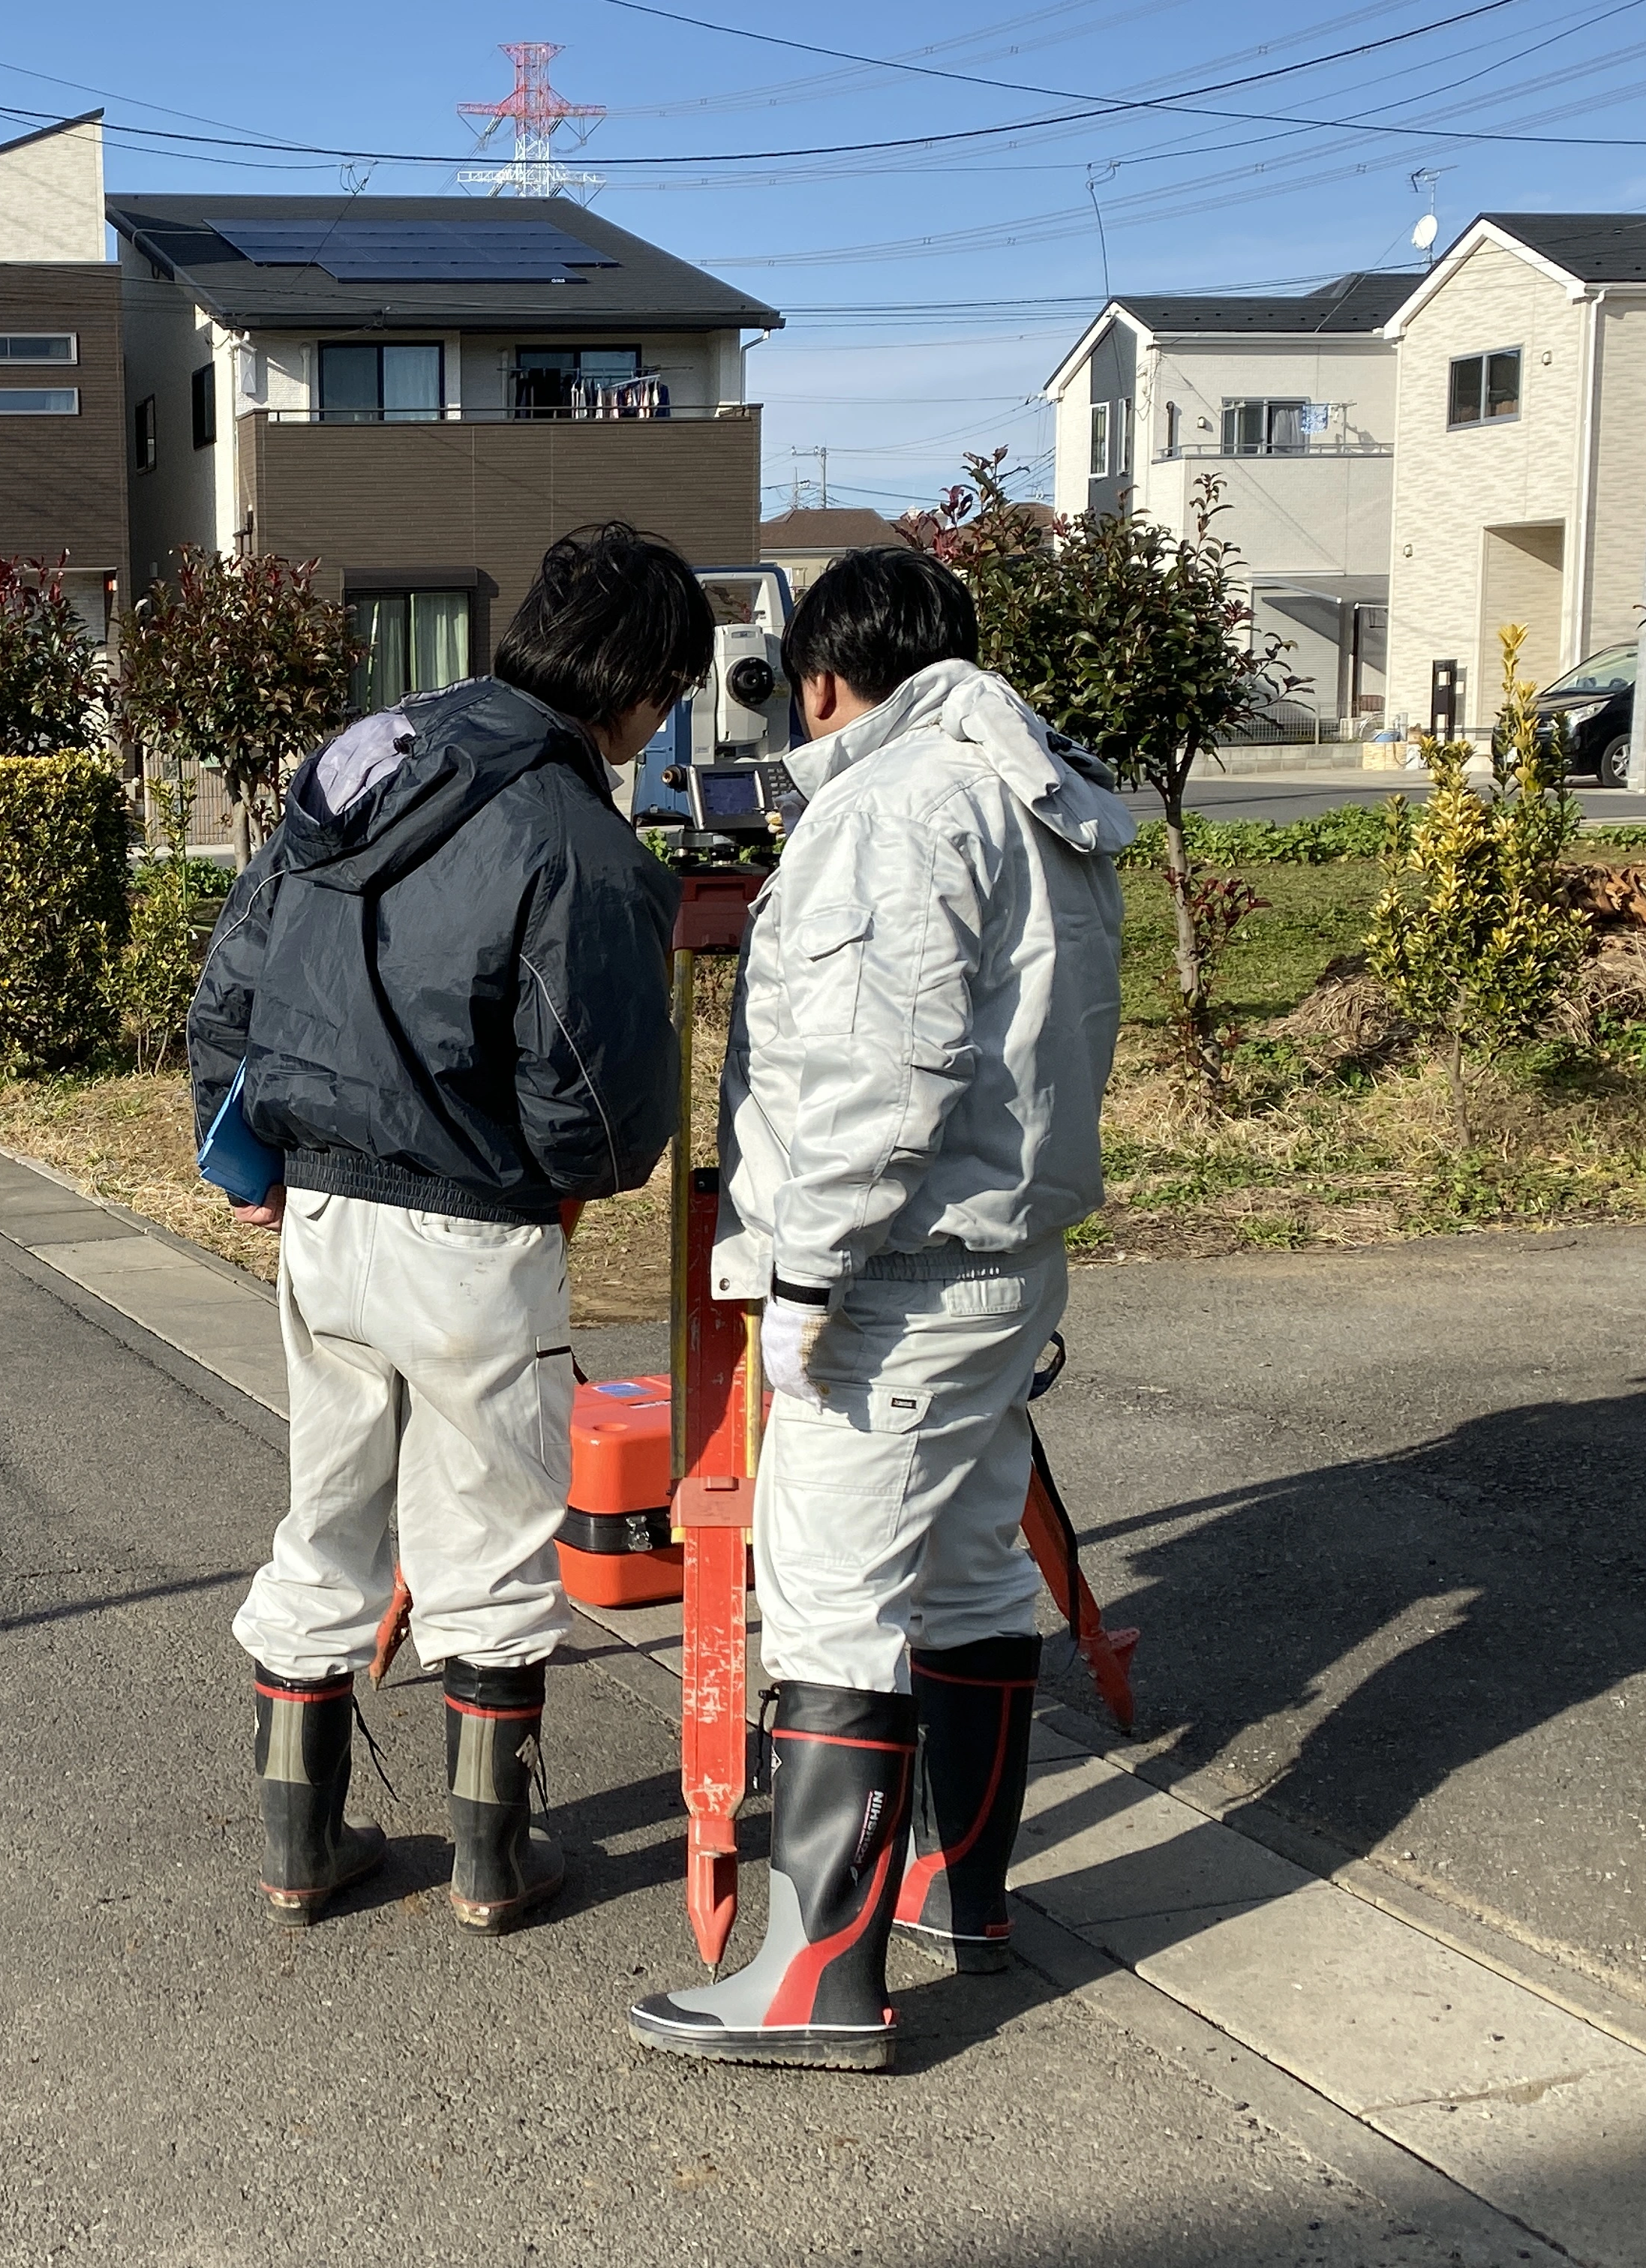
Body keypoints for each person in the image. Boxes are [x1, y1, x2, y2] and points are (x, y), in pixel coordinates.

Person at [627, 546, 1134, 2072]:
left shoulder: (901, 810)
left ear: (834, 680)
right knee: (974, 1578)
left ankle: (816, 1980)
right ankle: (957, 1891)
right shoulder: (1046, 793)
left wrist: (804, 1278)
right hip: (1004, 1259)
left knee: (834, 1590)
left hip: (897, 1278)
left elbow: (872, 1072)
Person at [189, 523, 700, 1936]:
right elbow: (597, 1103)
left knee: (327, 1511)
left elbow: (236, 964)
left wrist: (233, 1144)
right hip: (471, 1229)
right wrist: (564, 1170)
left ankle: (303, 1846)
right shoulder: (576, 840)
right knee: (485, 1533)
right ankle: (494, 1855)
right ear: (645, 683)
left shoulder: (367, 757)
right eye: (668, 697)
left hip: (318, 1209)